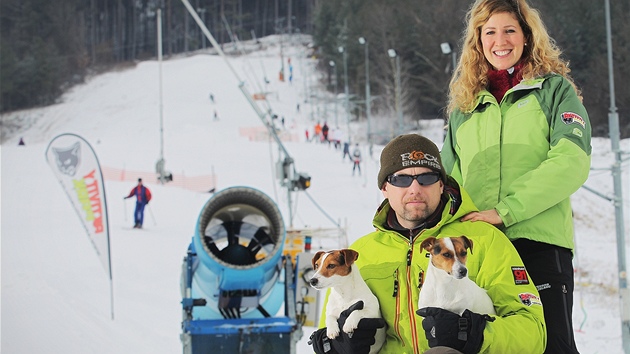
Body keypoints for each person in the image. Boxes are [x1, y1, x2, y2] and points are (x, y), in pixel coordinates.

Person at [440, 1, 591, 353]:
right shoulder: (466, 106)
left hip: (538, 243)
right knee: (488, 345)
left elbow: (571, 161)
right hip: (480, 248)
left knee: (552, 346)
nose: (500, 40)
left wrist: (505, 210)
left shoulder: (554, 91)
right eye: (489, 32)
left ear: (527, 36)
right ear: (478, 40)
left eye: (510, 30)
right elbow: (450, 182)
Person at [309, 134, 546, 353]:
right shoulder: (362, 253)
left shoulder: (484, 239)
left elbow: (533, 331)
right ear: (385, 188)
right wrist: (336, 346)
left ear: (441, 184)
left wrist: (476, 335)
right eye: (401, 179)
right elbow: (328, 327)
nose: (415, 188)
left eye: (427, 177)